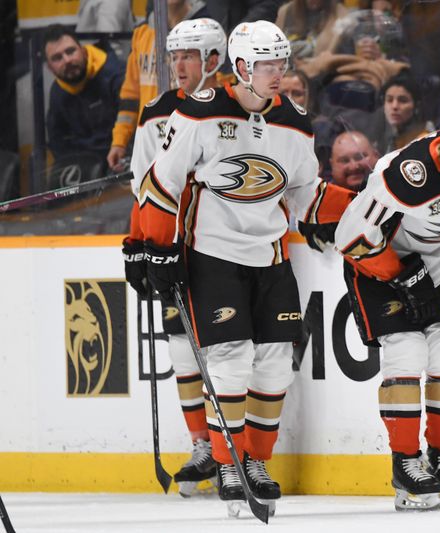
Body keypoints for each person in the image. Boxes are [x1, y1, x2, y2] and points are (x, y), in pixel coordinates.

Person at [137, 20, 354, 515]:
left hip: (271, 255)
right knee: (231, 360)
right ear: (240, 67)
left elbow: (305, 194)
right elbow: (160, 184)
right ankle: (227, 462)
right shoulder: (199, 112)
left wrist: (360, 207)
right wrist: (156, 248)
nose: (278, 73)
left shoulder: (294, 122)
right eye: (266, 65)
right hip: (212, 255)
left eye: (282, 63)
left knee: (277, 362)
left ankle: (255, 459)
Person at [334, 115, 440, 511]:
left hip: (433, 270)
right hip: (380, 268)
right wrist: (402, 275)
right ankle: (405, 461)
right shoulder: (405, 178)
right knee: (407, 351)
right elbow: (350, 238)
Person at [122, 17, 227, 497]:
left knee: (227, 352)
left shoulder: (236, 106)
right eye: (173, 56)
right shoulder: (156, 112)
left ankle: (231, 448)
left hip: (224, 246)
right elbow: (143, 186)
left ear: (214, 59)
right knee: (184, 350)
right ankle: (203, 446)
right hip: (174, 249)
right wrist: (138, 244)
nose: (178, 65)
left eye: (188, 55)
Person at [106, 0, 210, 172]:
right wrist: (119, 140)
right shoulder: (142, 34)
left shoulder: (208, 34)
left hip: (191, 147)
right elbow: (130, 96)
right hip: (150, 146)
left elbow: (216, 90)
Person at [42, 24, 125, 164]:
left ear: (83, 51)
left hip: (121, 161)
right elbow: (58, 142)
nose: (67, 60)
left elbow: (135, 126)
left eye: (70, 51)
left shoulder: (116, 74)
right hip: (85, 169)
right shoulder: (57, 91)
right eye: (57, 58)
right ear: (50, 68)